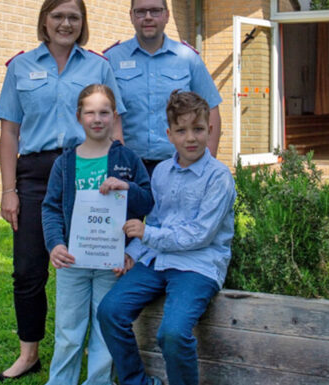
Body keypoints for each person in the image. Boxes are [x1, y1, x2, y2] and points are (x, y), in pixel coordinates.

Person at [0, 0, 126, 380]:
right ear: (44, 20)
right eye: (58, 16)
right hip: (35, 175)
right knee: (28, 269)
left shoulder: (99, 66)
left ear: (82, 23)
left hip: (87, 172)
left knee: (91, 263)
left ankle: (92, 349)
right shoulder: (21, 66)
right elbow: (9, 132)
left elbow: (114, 125)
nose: (65, 23)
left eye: (73, 17)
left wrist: (116, 178)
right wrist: (8, 189)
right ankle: (29, 353)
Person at [97, 90, 236, 385]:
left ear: (210, 129)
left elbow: (200, 235)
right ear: (169, 134)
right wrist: (133, 252)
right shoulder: (161, 172)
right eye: (181, 131)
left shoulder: (219, 177)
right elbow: (157, 220)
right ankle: (137, 382)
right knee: (109, 311)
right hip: (157, 260)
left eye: (198, 129)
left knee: (172, 333)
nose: (191, 138)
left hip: (198, 265)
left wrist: (147, 233)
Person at [41, 84, 153, 385]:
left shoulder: (128, 160)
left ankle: (99, 381)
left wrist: (127, 188)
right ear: (79, 116)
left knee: (104, 330)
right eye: (90, 112)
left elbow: (147, 201)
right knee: (68, 330)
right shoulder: (65, 163)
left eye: (104, 112)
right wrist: (55, 244)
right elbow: (51, 208)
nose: (97, 119)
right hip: (72, 260)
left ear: (114, 116)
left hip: (110, 261)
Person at [104, 0, 223, 175]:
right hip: (128, 167)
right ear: (131, 16)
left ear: (167, 15)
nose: (148, 17)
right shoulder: (112, 59)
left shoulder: (188, 59)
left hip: (179, 166)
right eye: (140, 12)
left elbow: (211, 108)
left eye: (155, 11)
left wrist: (207, 165)